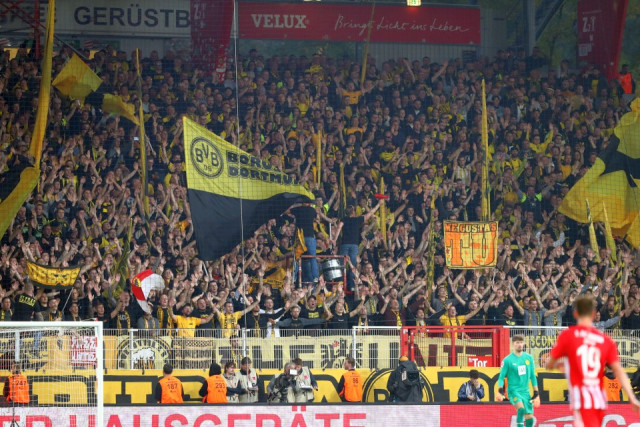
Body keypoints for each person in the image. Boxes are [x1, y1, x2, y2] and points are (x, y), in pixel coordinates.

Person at [546, 296, 640, 427]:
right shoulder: (606, 340)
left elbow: (549, 364)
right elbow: (619, 371)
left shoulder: (567, 336)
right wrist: (632, 397)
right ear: (593, 314)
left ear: (575, 313)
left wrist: (563, 365)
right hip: (598, 399)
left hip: (580, 397)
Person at [497, 335, 540, 427]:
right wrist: (500, 390)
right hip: (513, 391)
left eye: (521, 342)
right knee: (521, 409)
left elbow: (533, 376)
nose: (520, 345)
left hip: (525, 391)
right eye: (517, 343)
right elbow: (501, 377)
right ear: (513, 344)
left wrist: (536, 393)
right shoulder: (507, 360)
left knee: (529, 416)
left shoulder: (529, 358)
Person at [290, 202, 319, 284]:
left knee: (297, 257)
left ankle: (293, 278)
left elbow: (287, 211)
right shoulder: (312, 210)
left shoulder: (297, 209)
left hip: (300, 237)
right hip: (310, 236)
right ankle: (315, 277)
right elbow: (317, 218)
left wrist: (295, 205)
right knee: (313, 257)